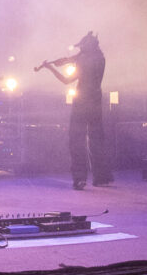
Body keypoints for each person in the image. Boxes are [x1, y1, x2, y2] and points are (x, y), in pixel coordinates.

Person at [42, 31, 112, 190]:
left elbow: (66, 80)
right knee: (96, 139)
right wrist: (69, 60)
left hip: (81, 102)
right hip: (95, 101)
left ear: (88, 47)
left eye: (82, 47)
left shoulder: (84, 61)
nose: (80, 50)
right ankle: (101, 176)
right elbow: (80, 58)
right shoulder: (100, 58)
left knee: (76, 140)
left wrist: (50, 68)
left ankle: (79, 177)